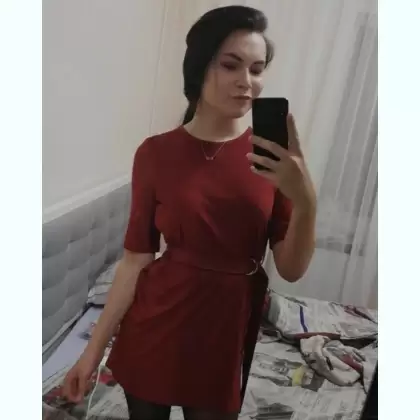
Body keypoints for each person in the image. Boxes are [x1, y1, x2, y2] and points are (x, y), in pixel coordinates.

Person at [62, 5, 316, 420]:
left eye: (256, 69)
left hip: (225, 331)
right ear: (198, 69)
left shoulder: (272, 158)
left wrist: (306, 200)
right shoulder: (155, 154)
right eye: (231, 65)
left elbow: (291, 269)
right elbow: (135, 261)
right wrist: (91, 354)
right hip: (153, 329)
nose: (247, 81)